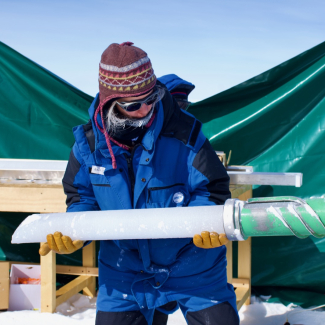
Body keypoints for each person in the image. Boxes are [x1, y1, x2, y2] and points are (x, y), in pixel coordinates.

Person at [39, 42, 239, 325]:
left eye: (151, 96)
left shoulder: (186, 134)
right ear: (110, 104)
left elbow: (212, 188)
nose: (146, 109)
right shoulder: (88, 147)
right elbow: (81, 197)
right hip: (125, 269)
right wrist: (75, 232)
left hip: (194, 264)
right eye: (133, 105)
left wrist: (208, 220)